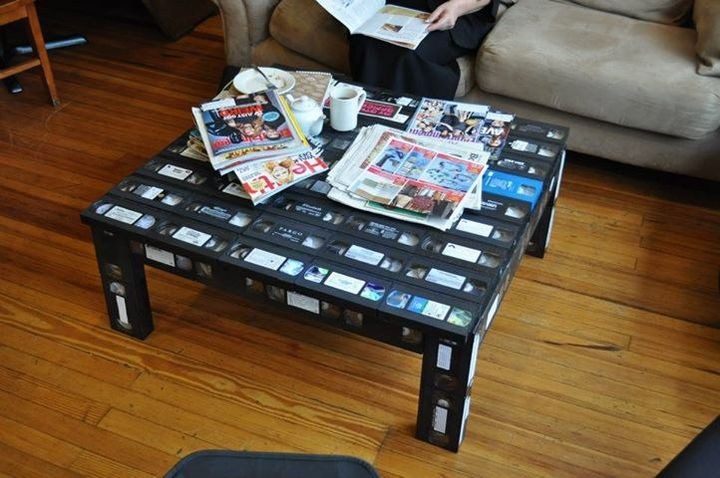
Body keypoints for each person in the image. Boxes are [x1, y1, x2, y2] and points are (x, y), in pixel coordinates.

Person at [349, 0, 500, 99]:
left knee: (407, 52)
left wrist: (457, 7)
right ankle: (364, 116)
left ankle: (407, 122)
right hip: (398, 4)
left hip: (456, 9)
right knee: (363, 39)